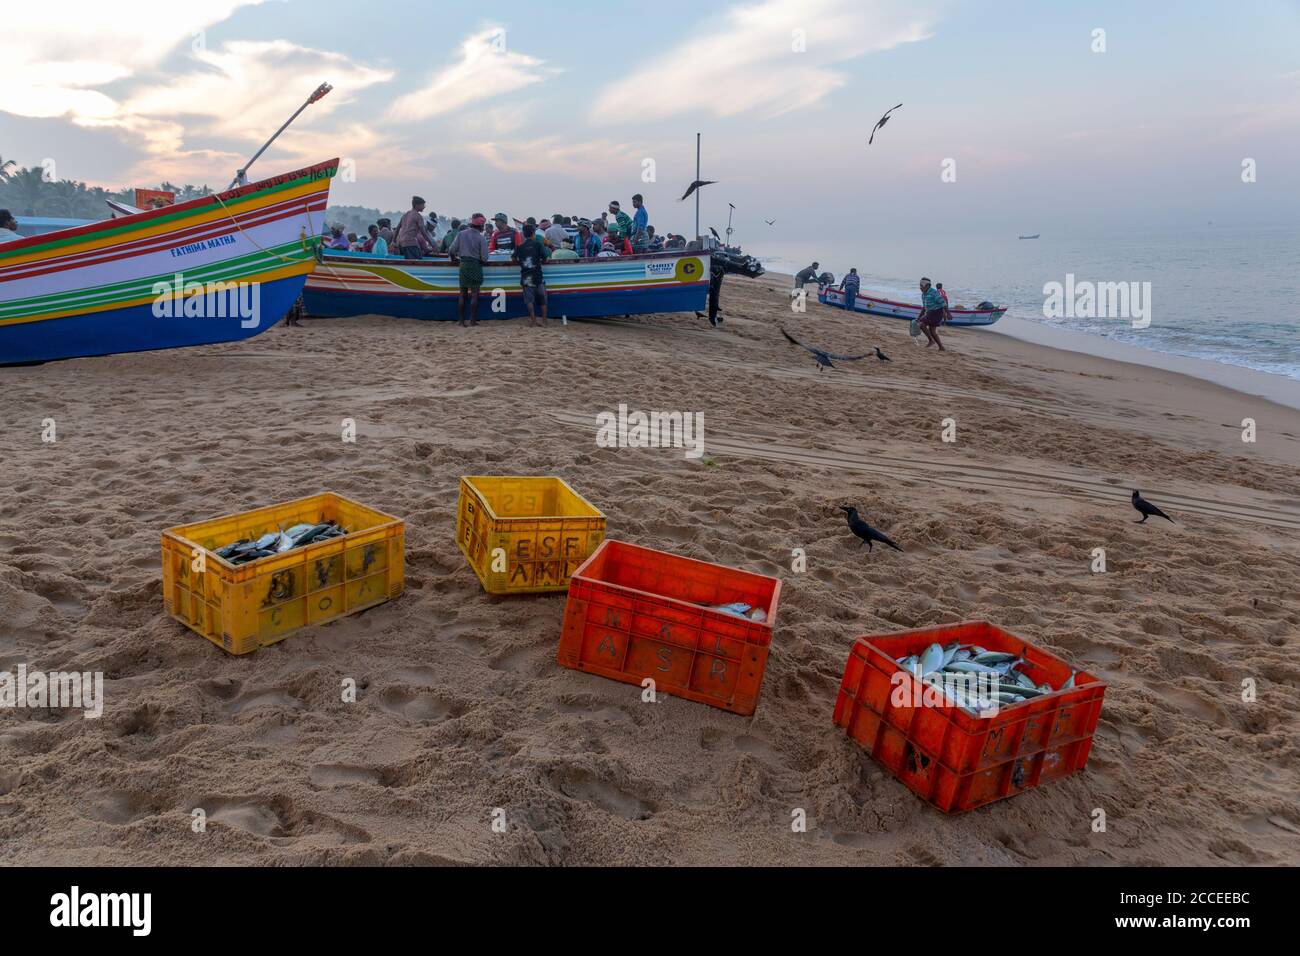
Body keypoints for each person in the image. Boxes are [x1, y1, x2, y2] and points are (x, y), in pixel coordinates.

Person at [448, 213, 489, 327]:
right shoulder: (481, 238)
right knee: (474, 294)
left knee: (462, 293)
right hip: (475, 266)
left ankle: (461, 321)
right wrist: (479, 261)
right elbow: (485, 258)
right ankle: (472, 321)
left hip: (463, 265)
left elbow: (451, 250)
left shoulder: (461, 234)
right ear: (480, 226)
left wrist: (454, 260)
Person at [512, 222, 549, 327]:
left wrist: (521, 262)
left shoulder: (519, 246)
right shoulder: (538, 244)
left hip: (526, 277)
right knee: (542, 299)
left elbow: (513, 258)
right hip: (538, 275)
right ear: (533, 233)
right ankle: (544, 321)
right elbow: (545, 258)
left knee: (529, 300)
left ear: (523, 234)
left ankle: (533, 321)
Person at [918, 276, 946, 350]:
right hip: (930, 313)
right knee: (932, 331)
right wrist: (919, 316)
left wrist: (948, 314)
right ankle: (941, 347)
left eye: (922, 286)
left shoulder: (934, 293)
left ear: (928, 286)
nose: (920, 287)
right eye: (920, 286)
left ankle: (931, 341)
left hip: (937, 312)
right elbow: (924, 307)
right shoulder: (923, 294)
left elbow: (943, 303)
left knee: (922, 324)